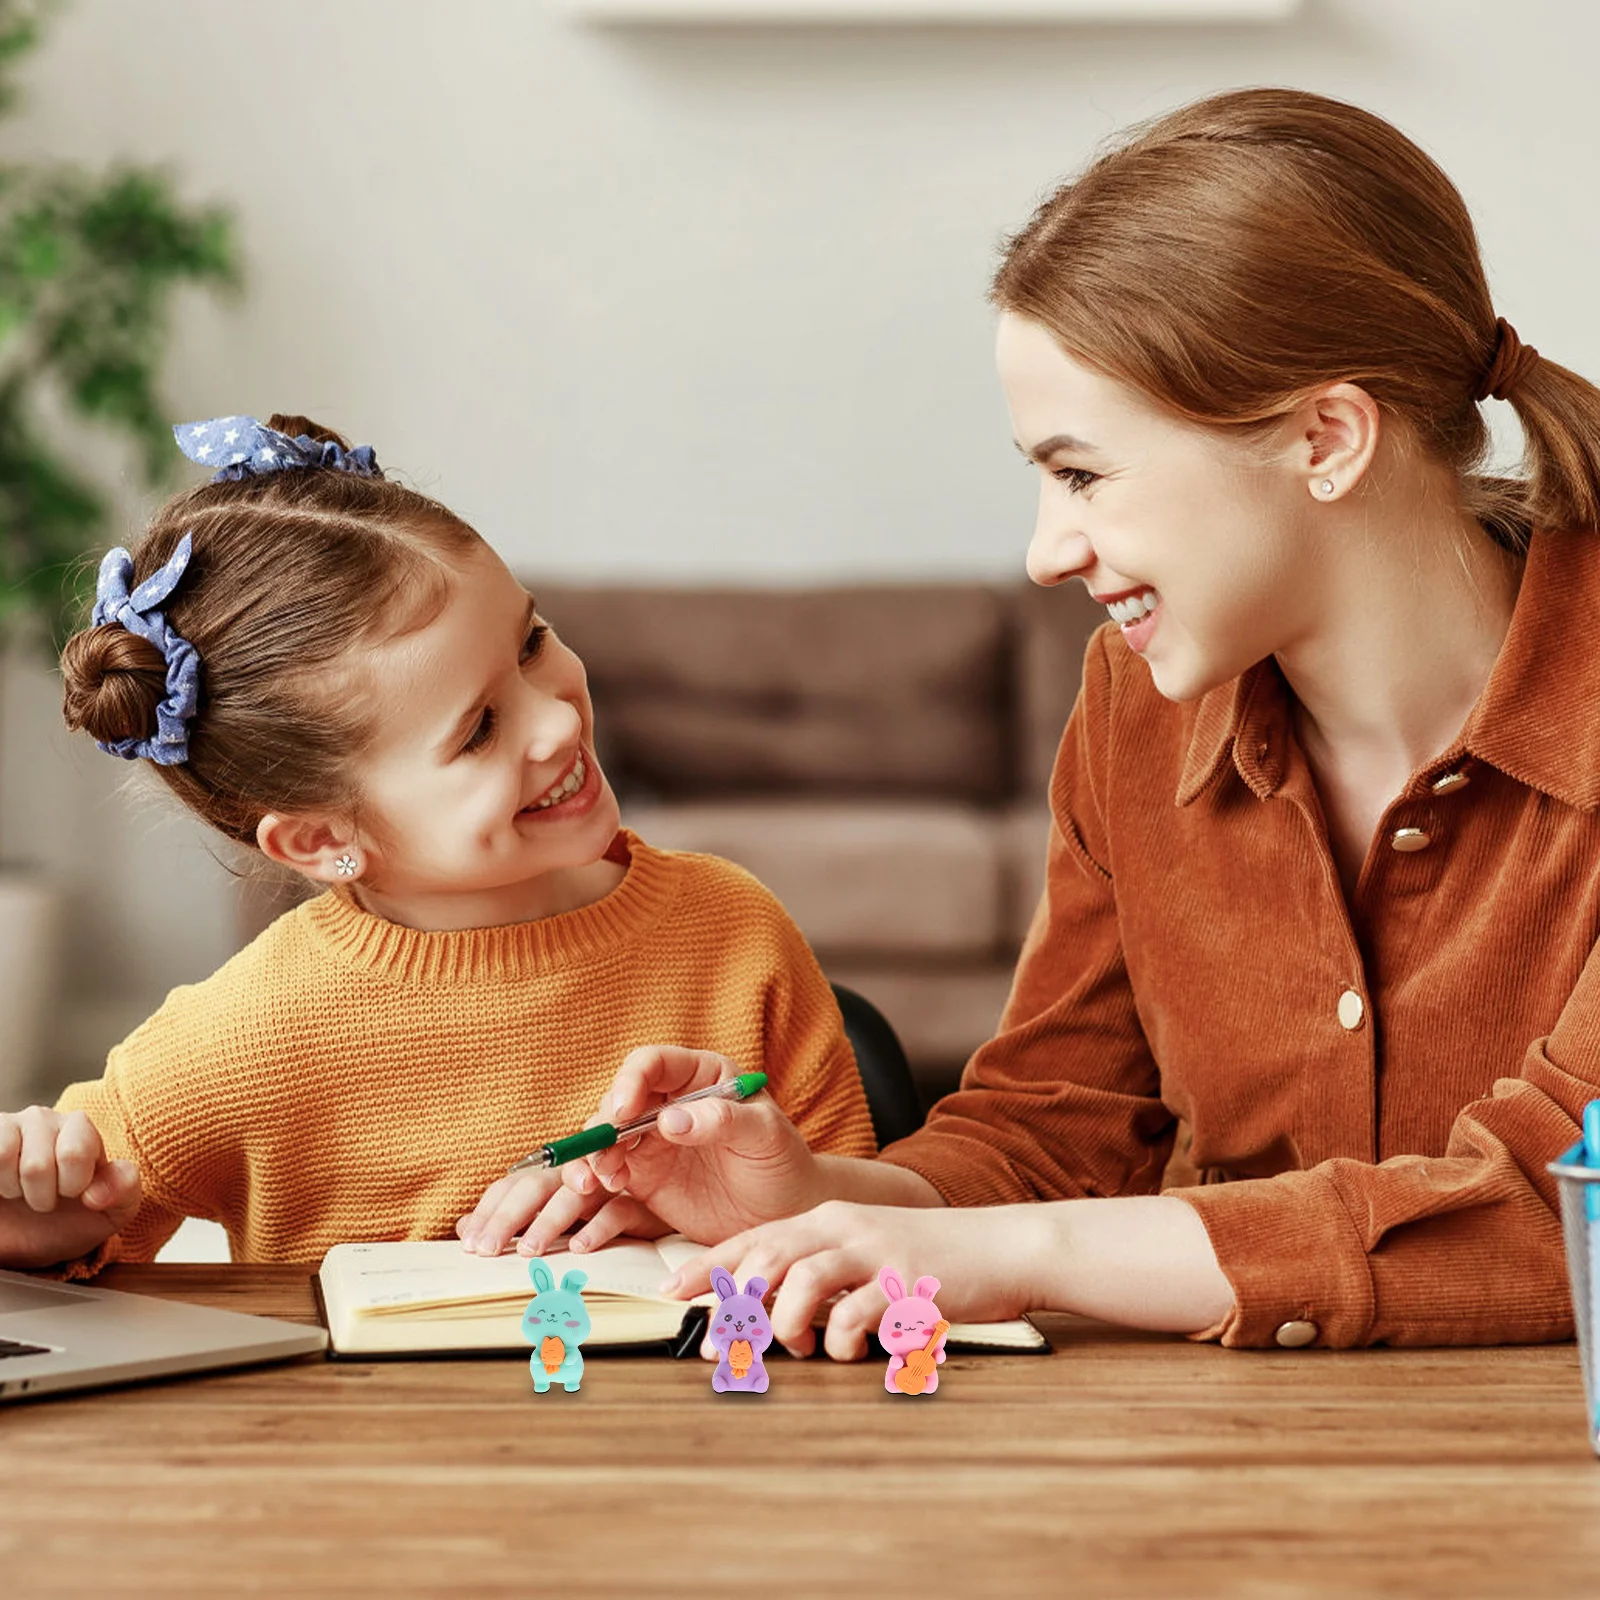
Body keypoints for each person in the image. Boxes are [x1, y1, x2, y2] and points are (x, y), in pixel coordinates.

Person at [519, 87, 1600, 1355]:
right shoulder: (1129, 708)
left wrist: (1016, 1253)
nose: (1046, 551)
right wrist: (820, 1200)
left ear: (1324, 437)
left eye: (1082, 472)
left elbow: (1555, 1206)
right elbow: (1054, 1123)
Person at [0, 413, 874, 1275]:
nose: (559, 720)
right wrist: (50, 1222)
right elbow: (76, 1238)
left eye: (531, 644)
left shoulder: (733, 928)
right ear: (320, 838)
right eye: (480, 731)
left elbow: (873, 1225)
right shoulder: (248, 1034)